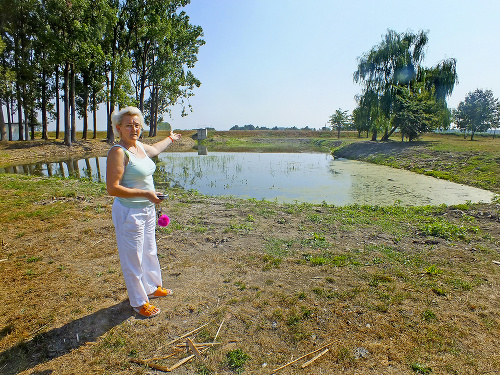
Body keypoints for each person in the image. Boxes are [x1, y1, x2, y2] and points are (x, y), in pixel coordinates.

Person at [106, 106, 181, 318]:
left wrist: (171, 139)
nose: (134, 129)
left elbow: (155, 149)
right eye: (129, 125)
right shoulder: (119, 152)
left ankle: (152, 287)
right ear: (119, 128)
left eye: (137, 125)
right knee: (133, 258)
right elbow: (112, 188)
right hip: (130, 212)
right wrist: (147, 193)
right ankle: (139, 302)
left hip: (147, 210)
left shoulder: (139, 147)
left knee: (149, 251)